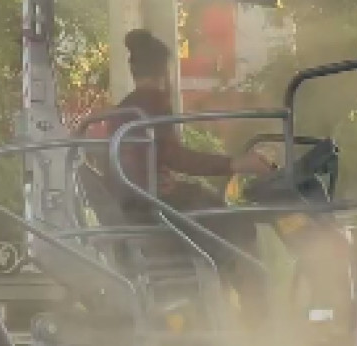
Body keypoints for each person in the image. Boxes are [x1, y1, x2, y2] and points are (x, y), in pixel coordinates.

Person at [108, 28, 270, 221]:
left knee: (205, 199)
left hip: (131, 201)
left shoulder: (122, 109)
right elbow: (176, 157)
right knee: (236, 221)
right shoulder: (154, 103)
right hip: (153, 204)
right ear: (163, 72)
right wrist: (235, 164)